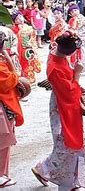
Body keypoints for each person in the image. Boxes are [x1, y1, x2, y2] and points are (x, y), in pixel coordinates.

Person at [32, 32, 85, 189]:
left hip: (63, 100)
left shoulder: (57, 56)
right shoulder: (55, 68)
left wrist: (74, 79)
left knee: (69, 142)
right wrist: (76, 75)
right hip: (62, 105)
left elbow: (69, 85)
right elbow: (69, 91)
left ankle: (70, 180)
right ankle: (43, 169)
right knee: (64, 143)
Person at [0, 32, 24, 188]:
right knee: (2, 143)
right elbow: (14, 78)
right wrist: (7, 57)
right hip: (3, 108)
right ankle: (1, 175)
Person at [11, 11, 41, 84]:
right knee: (20, 64)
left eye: (20, 17)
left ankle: (30, 79)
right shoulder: (13, 29)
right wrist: (20, 31)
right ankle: (22, 80)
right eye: (17, 19)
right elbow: (13, 40)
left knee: (29, 63)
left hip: (28, 48)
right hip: (19, 49)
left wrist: (30, 43)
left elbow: (33, 36)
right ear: (14, 21)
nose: (20, 19)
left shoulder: (28, 27)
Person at [68, 4, 85, 75]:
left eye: (75, 10)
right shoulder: (72, 20)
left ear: (79, 10)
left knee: (84, 54)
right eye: (72, 12)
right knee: (78, 55)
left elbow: (75, 27)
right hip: (78, 38)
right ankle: (81, 69)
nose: (74, 12)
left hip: (83, 39)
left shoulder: (82, 18)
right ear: (70, 14)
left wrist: (74, 31)